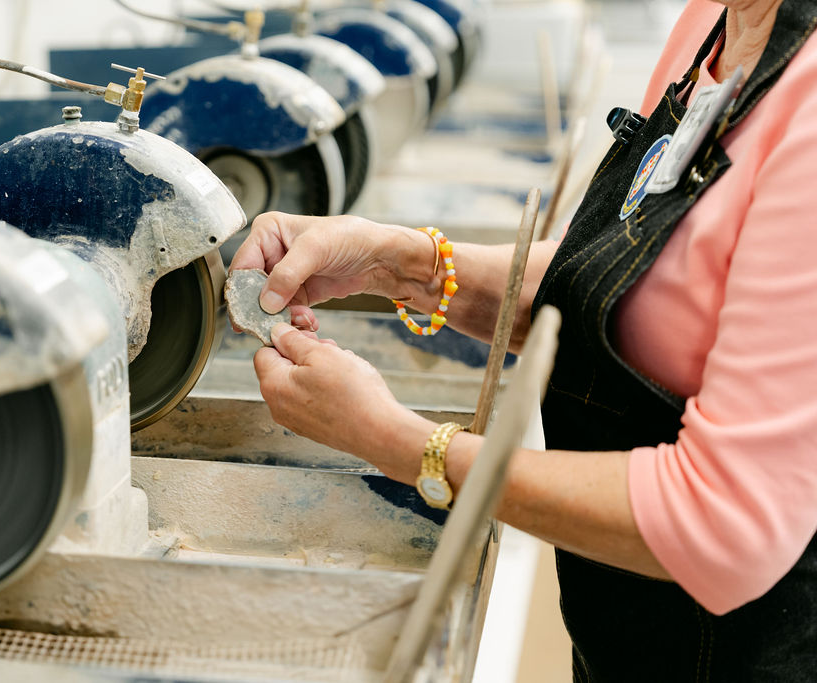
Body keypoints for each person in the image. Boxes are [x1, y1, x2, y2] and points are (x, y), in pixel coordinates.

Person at [229, 0, 817, 679]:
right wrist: (396, 263)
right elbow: (610, 284)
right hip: (628, 643)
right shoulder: (717, 23)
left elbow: (725, 520)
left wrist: (400, 442)